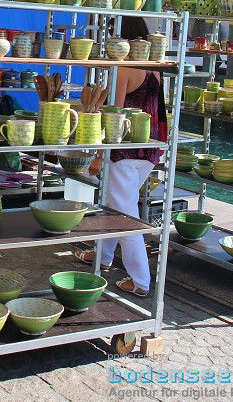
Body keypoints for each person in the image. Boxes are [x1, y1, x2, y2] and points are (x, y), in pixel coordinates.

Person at [77, 16, 167, 297]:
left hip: (125, 148)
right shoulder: (154, 67)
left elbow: (112, 116)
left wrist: (98, 155)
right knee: (114, 202)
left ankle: (140, 281)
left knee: (125, 214)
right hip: (150, 145)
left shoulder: (123, 67)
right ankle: (102, 257)